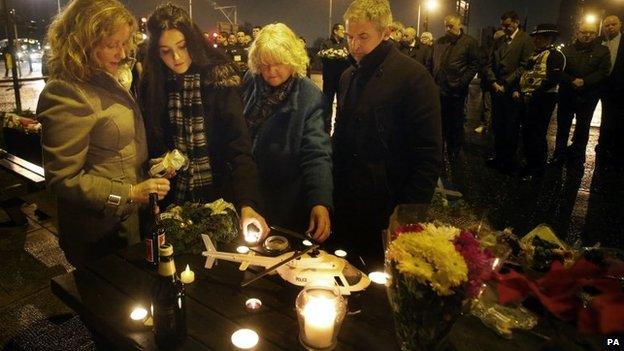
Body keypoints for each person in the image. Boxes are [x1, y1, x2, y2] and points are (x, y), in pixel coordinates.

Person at [36, 0, 171, 268]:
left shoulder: (104, 78)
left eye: (124, 44)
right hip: (99, 234)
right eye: (112, 45)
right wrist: (130, 192)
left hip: (125, 224)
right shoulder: (67, 92)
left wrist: (149, 172)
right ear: (83, 42)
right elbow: (63, 179)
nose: (122, 54)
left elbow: (114, 151)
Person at [139, 3, 269, 239]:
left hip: (219, 198)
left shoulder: (219, 80)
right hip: (172, 201)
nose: (176, 58)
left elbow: (239, 148)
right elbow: (152, 143)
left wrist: (247, 204)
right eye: (165, 51)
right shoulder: (153, 84)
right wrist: (159, 164)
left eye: (182, 46)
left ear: (193, 41)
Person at [333, 0, 442, 259]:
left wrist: (408, 212)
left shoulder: (413, 77)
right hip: (347, 201)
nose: (354, 45)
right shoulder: (348, 75)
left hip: (387, 204)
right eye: (349, 36)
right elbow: (340, 136)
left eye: (362, 37)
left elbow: (428, 153)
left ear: (385, 33)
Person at [243, 23, 333, 242]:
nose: (271, 71)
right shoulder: (250, 81)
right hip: (248, 189)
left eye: (278, 63)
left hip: (284, 199)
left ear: (292, 60)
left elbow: (317, 154)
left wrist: (320, 202)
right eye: (264, 64)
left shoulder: (309, 97)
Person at [484, 10, 535, 174]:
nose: (504, 28)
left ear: (516, 23)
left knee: (511, 127)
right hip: (497, 89)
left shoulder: (526, 40)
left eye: (507, 25)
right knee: (497, 125)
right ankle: (499, 157)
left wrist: (506, 83)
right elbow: (489, 63)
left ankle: (509, 160)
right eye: (502, 25)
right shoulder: (499, 41)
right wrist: (493, 81)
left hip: (512, 90)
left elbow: (524, 66)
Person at [555, 21, 610, 165]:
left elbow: (603, 71)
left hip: (588, 96)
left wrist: (585, 81)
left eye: (591, 32)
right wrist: (572, 80)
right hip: (567, 94)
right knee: (563, 126)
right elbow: (559, 70)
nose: (587, 35)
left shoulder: (602, 51)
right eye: (584, 32)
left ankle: (578, 156)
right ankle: (559, 154)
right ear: (577, 33)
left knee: (583, 127)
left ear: (595, 34)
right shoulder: (567, 50)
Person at [517, 24, 565, 180]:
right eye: (536, 37)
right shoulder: (535, 54)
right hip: (529, 98)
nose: (536, 40)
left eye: (540, 37)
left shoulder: (555, 55)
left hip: (543, 99)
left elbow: (553, 79)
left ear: (549, 39)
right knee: (528, 133)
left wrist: (534, 94)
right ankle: (530, 164)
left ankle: (537, 169)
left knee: (537, 134)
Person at [432, 14, 480, 164]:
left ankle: (454, 149)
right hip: (439, 89)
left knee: (455, 122)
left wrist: (462, 82)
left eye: (451, 26)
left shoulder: (469, 42)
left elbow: (474, 64)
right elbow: (432, 61)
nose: (447, 28)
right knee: (439, 122)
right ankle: (439, 150)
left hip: (456, 91)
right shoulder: (440, 42)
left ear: (459, 25)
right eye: (446, 25)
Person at [598, 15, 624, 169]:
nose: (610, 27)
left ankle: (616, 151)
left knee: (618, 119)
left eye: (613, 24)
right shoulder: (599, 41)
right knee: (605, 118)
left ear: (620, 24)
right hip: (599, 86)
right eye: (607, 25)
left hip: (619, 88)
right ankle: (603, 145)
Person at [318, 23, 350, 132]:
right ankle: (326, 130)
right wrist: (340, 56)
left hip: (342, 80)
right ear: (335, 31)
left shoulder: (346, 44)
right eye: (341, 30)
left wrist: (340, 56)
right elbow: (323, 57)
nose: (344, 32)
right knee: (327, 104)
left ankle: (339, 130)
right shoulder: (326, 43)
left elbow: (349, 58)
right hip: (329, 80)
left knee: (342, 105)